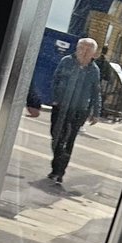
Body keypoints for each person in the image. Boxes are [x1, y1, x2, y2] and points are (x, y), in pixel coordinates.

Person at [47, 37, 101, 185]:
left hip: (79, 110)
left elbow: (96, 92)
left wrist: (96, 112)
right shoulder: (66, 61)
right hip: (61, 107)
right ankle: (57, 162)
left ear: (93, 54)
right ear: (77, 49)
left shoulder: (94, 70)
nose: (84, 52)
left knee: (69, 139)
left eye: (88, 50)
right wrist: (55, 97)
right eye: (82, 48)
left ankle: (58, 171)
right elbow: (55, 80)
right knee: (56, 136)